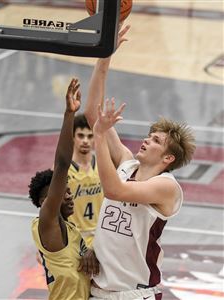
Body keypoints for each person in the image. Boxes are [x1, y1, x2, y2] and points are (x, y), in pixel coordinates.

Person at [81, 24, 196, 300]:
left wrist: (99, 136)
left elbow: (114, 191)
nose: (147, 140)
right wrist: (105, 54)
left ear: (168, 158)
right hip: (98, 290)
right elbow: (91, 111)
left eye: (156, 141)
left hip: (134, 295)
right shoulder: (127, 164)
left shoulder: (166, 187)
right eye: (149, 136)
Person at [29, 78, 91, 300]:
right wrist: (69, 114)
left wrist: (92, 252)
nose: (69, 194)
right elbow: (63, 164)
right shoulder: (47, 219)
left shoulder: (70, 229)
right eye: (62, 192)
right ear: (47, 201)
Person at [68, 114, 104, 247]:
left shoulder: (103, 164)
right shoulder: (63, 169)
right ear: (72, 137)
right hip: (74, 237)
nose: (85, 141)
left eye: (90, 136)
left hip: (101, 236)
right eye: (81, 135)